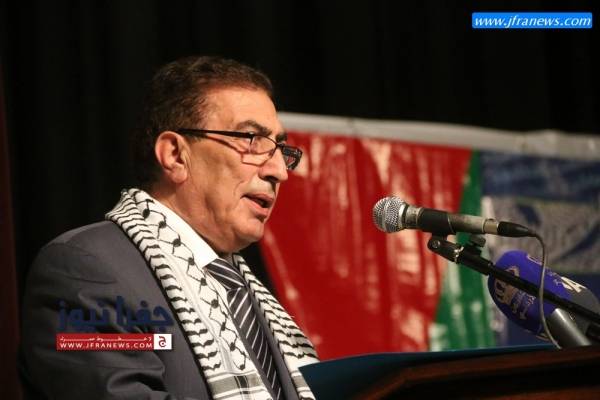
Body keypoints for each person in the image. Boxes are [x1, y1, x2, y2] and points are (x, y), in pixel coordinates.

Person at [20, 56, 319, 400]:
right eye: (252, 139)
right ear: (175, 155)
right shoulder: (85, 269)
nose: (279, 171)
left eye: (279, 148)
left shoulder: (246, 291)